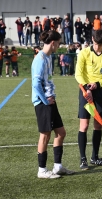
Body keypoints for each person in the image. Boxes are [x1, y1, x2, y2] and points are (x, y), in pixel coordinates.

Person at [31, 30, 74, 179]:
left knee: (61, 133)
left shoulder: (48, 57)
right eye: (59, 42)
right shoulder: (40, 59)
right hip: (43, 102)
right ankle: (42, 170)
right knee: (45, 135)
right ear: (53, 43)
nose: (59, 45)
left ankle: (58, 166)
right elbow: (36, 84)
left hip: (50, 101)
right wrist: (45, 100)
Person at [75, 29, 102, 170]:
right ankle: (83, 159)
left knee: (98, 125)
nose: (97, 46)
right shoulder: (84, 53)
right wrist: (87, 88)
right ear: (92, 39)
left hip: (100, 92)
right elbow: (78, 74)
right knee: (84, 126)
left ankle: (94, 157)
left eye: (100, 44)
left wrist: (98, 84)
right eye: (95, 43)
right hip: (85, 92)